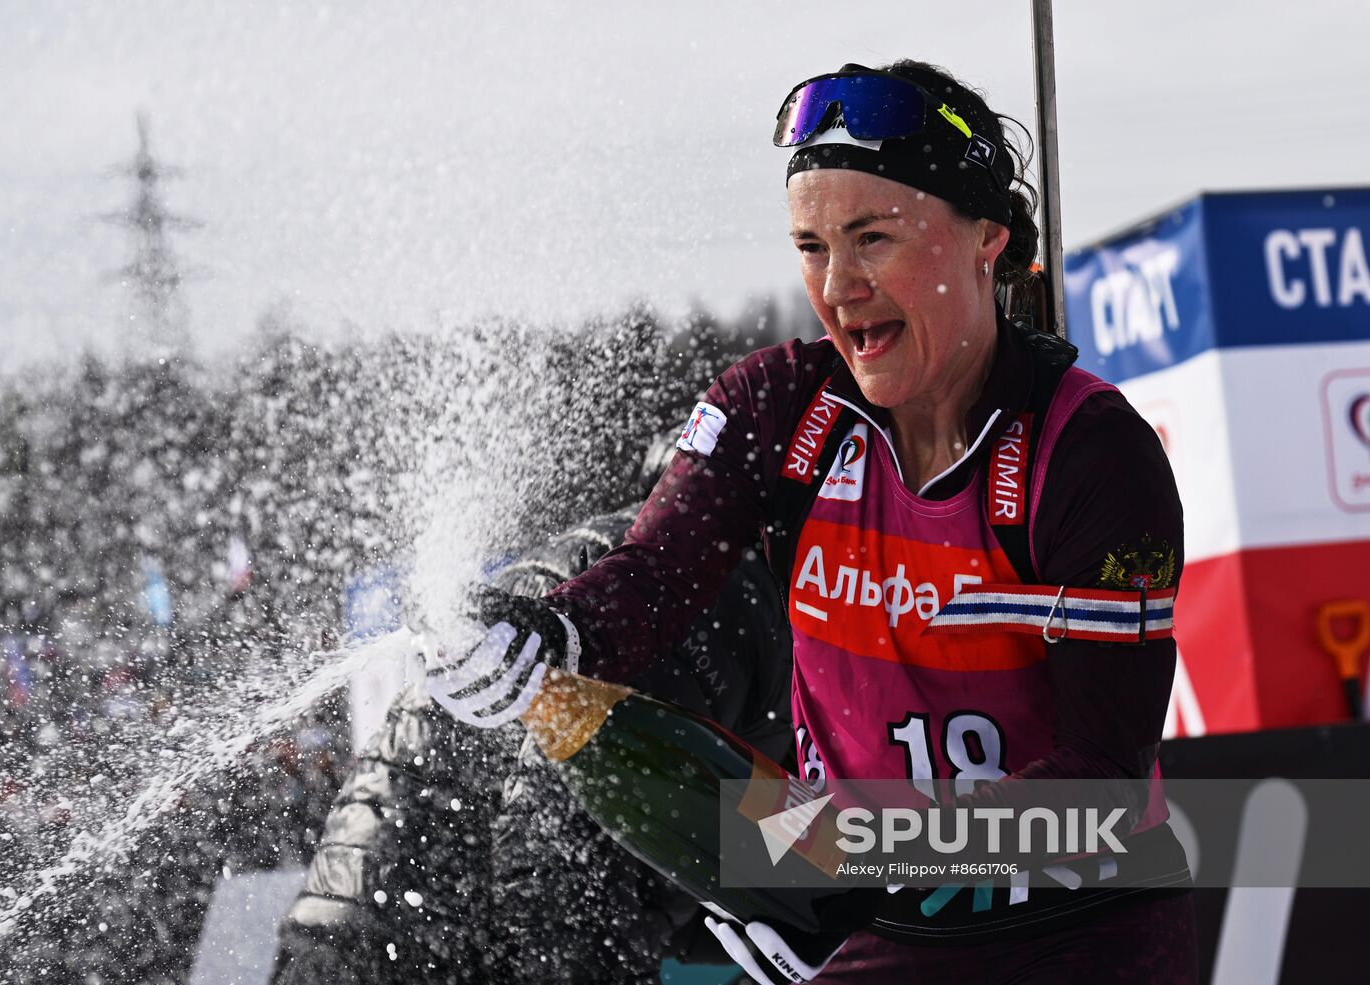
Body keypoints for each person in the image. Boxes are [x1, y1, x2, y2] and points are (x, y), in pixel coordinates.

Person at [430, 60, 1198, 984]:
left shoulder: (1089, 453)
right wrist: (551, 629)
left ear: (986, 236)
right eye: (810, 246)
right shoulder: (779, 409)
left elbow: (1102, 780)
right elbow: (656, 572)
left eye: (872, 238)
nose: (838, 285)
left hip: (1077, 937)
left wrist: (864, 867)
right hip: (868, 930)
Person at [270, 436, 793, 985]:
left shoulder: (655, 562)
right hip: (444, 908)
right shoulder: (720, 592)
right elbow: (553, 838)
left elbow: (704, 874)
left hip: (373, 891)